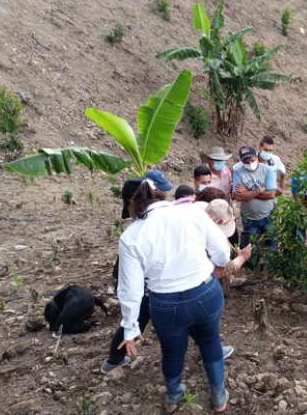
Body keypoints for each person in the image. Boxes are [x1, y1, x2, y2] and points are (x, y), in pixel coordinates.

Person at [116, 180, 252, 412]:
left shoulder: (131, 236)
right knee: (210, 341)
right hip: (205, 294)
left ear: (132, 203)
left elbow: (131, 289)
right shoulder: (191, 213)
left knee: (171, 351)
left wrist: (130, 328)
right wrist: (217, 265)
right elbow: (221, 253)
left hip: (165, 305)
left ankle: (173, 396)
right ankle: (219, 396)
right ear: (159, 195)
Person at [101, 170, 173, 374]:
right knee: (136, 319)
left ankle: (114, 359)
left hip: (138, 275)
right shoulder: (139, 227)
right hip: (137, 277)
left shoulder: (146, 217)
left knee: (137, 320)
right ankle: (114, 360)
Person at [232, 146, 278, 248]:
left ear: (256, 156)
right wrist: (259, 190)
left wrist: (247, 192)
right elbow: (237, 196)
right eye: (246, 162)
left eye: (252, 160)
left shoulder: (268, 170)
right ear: (241, 161)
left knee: (271, 244)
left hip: (268, 215)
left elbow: (271, 194)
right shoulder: (238, 172)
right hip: (249, 218)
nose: (249, 164)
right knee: (250, 247)